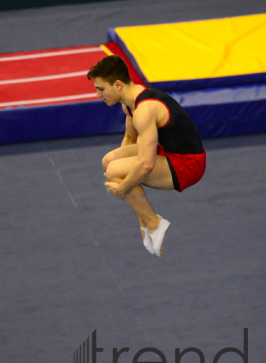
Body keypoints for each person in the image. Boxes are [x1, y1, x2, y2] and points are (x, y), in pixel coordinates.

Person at [87, 55, 206, 256]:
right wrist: (122, 173)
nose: (98, 94)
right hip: (169, 152)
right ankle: (145, 220)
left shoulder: (144, 110)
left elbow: (146, 165)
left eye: (101, 89)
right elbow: (129, 138)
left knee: (115, 173)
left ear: (117, 85)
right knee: (109, 162)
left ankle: (155, 223)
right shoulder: (129, 103)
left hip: (189, 165)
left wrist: (121, 188)